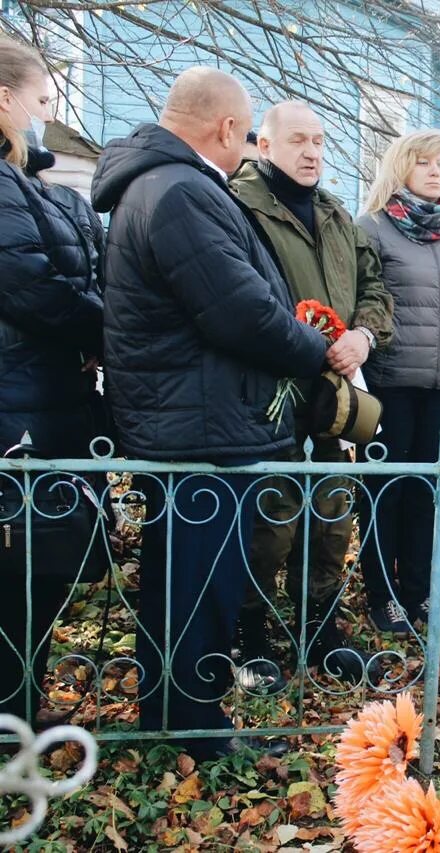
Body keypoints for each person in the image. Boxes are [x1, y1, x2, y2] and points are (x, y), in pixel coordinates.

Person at [91, 67, 329, 759]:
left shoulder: (168, 185)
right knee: (200, 588)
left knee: (188, 584)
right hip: (196, 427)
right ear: (225, 128)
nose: (249, 143)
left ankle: (176, 719)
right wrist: (315, 349)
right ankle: (194, 731)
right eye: (249, 130)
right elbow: (240, 311)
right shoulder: (178, 192)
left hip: (193, 417)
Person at [229, 100, 394, 691]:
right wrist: (304, 344)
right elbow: (237, 299)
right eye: (298, 140)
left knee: (331, 511)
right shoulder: (238, 207)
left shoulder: (335, 214)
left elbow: (375, 285)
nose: (312, 151)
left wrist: (363, 336)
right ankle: (251, 633)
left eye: (320, 141)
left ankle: (318, 627)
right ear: (265, 145)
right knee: (271, 520)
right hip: (270, 390)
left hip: (336, 392)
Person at [0, 36, 106, 720]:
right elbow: (28, 282)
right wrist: (104, 329)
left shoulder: (25, 182)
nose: (47, 114)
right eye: (41, 100)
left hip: (40, 396)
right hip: (18, 405)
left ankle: (16, 709)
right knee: (18, 570)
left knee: (32, 575)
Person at [356, 129, 440, 636]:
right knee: (384, 494)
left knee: (428, 497)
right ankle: (382, 597)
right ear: (400, 168)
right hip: (389, 387)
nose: (437, 172)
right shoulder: (372, 228)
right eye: (425, 163)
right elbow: (361, 302)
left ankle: (421, 595)